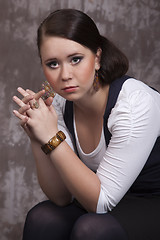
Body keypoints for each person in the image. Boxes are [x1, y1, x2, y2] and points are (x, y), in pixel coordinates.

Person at [13, 9, 160, 240]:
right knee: (42, 218)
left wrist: (52, 136)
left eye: (75, 59)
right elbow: (61, 197)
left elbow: (100, 203)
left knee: (92, 229)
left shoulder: (133, 103)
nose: (65, 75)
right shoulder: (61, 104)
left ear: (97, 58)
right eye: (53, 64)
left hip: (150, 199)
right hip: (100, 197)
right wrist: (36, 135)